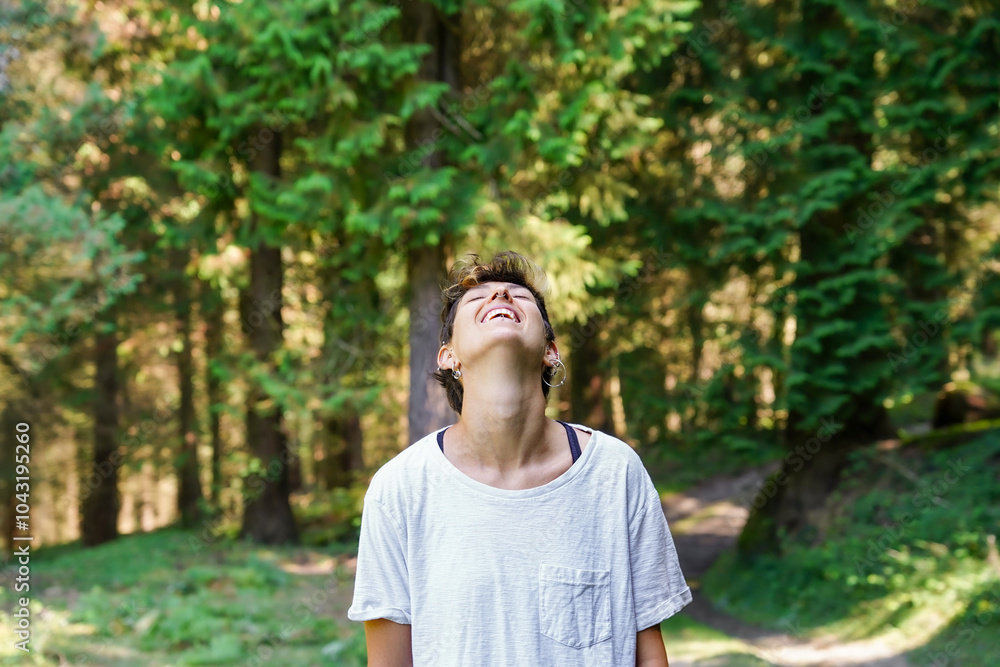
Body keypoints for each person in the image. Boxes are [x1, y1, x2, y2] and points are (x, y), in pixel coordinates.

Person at [348, 251, 691, 666]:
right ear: (448, 356)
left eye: (518, 295)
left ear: (551, 351)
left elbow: (648, 656)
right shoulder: (399, 489)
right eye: (479, 299)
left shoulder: (616, 473)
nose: (501, 297)